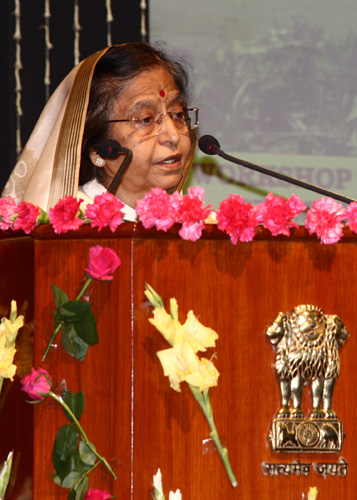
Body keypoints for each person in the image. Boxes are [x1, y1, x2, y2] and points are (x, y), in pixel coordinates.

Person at [2, 43, 198, 221]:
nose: (173, 136)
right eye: (146, 119)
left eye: (178, 115)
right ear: (97, 150)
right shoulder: (67, 228)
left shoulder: (202, 228)